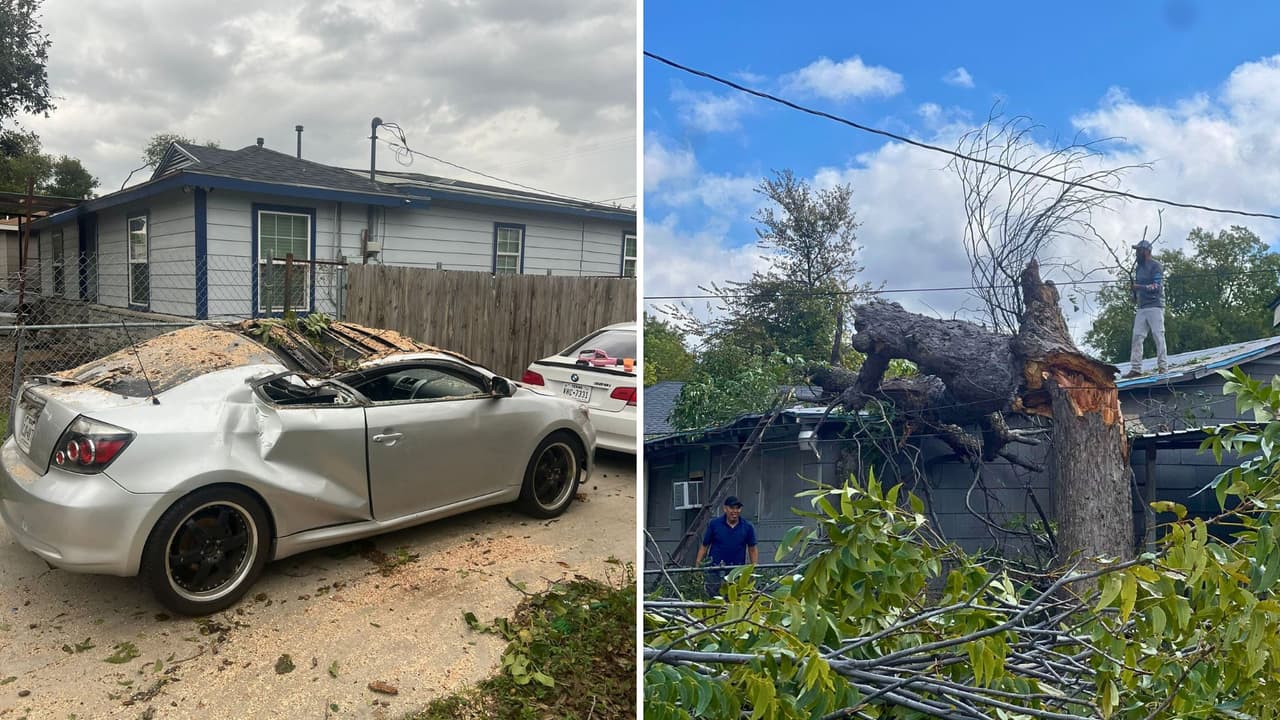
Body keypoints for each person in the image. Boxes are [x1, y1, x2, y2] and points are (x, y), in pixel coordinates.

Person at [694, 495, 758, 597]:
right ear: (725, 509)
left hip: (736, 570)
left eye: (738, 508)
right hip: (715, 570)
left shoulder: (747, 526)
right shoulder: (714, 524)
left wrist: (753, 569)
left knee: (734, 598)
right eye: (732, 508)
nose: (735, 511)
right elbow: (704, 546)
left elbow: (752, 549)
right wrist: (698, 566)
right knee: (714, 599)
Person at [1124, 239, 1168, 378]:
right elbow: (1138, 286)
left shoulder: (1156, 266)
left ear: (1146, 251)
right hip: (1142, 306)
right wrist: (1134, 294)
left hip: (1155, 305)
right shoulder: (1139, 268)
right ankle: (1135, 368)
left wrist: (1139, 287)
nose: (1136, 253)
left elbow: (1157, 287)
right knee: (1137, 336)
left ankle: (1163, 367)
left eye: (1139, 250)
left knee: (1158, 335)